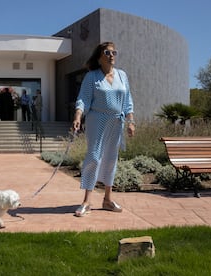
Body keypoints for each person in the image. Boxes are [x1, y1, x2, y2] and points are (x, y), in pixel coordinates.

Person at [72, 41, 135, 217]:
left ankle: (107, 199)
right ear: (99, 57)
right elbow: (83, 99)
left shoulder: (122, 75)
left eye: (114, 52)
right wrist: (78, 116)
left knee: (110, 159)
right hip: (97, 120)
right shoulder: (92, 77)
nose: (112, 55)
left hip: (116, 122)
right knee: (94, 157)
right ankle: (86, 201)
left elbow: (128, 101)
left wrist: (131, 121)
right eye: (107, 53)